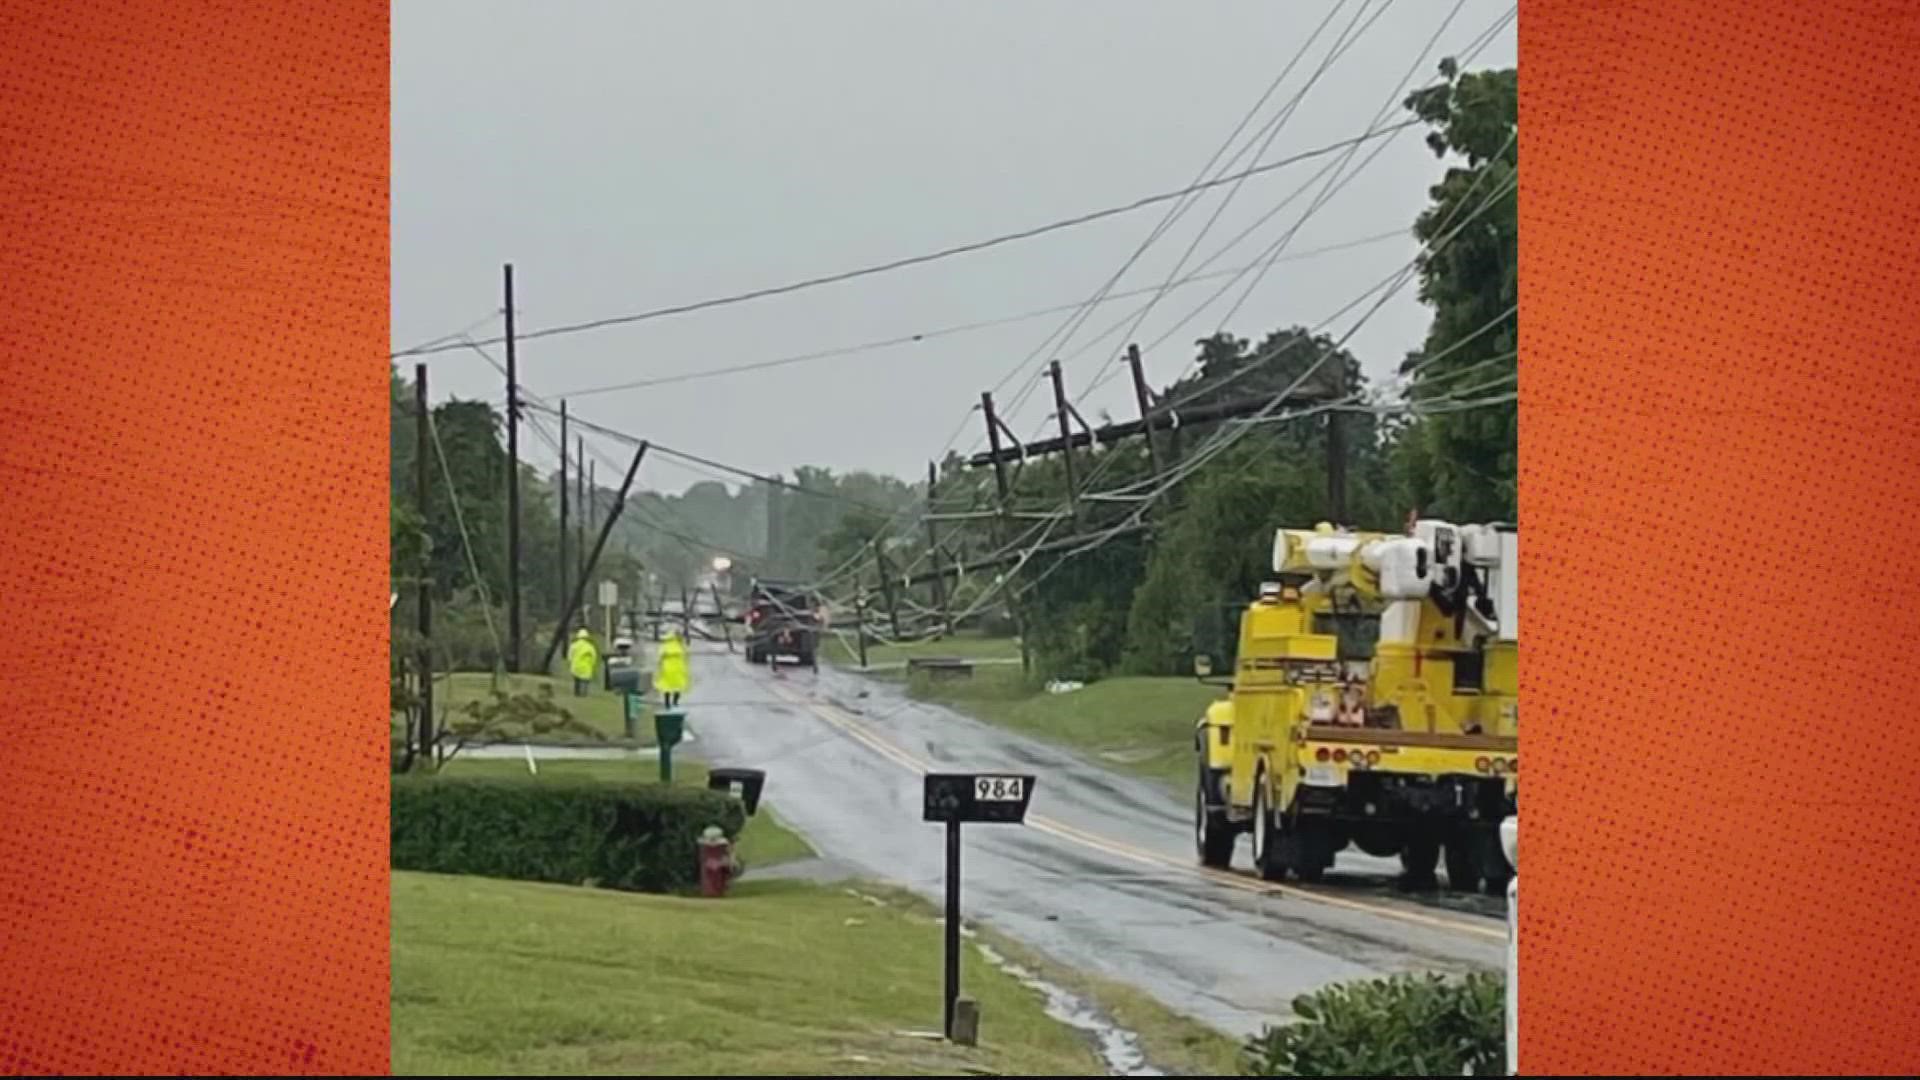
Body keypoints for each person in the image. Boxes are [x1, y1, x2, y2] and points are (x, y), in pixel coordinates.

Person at [654, 630, 690, 710]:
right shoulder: (681, 645)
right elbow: (686, 655)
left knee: (667, 686)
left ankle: (667, 704)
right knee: (678, 686)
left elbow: (660, 656)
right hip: (678, 668)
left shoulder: (665, 645)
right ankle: (675, 702)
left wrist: (658, 667)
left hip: (667, 668)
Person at [567, 628, 599, 697]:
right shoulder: (590, 646)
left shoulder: (574, 645)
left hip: (576, 665)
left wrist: (570, 662)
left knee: (577, 680)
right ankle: (584, 694)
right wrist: (593, 664)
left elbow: (570, 654)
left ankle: (576, 693)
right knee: (585, 681)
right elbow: (594, 655)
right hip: (586, 666)